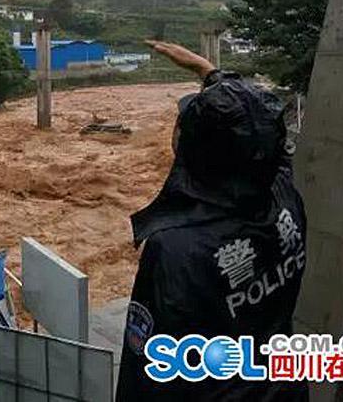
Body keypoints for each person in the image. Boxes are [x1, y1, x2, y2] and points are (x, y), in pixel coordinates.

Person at [116, 40, 308, 401]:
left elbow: (144, 368)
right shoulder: (282, 192)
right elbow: (262, 135)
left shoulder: (176, 249)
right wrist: (208, 71)